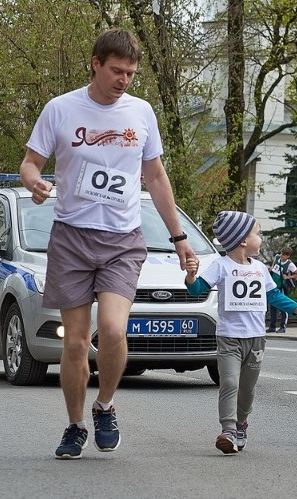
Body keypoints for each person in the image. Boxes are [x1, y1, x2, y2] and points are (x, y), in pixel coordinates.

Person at [19, 28, 196, 460]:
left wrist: (179, 238)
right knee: (76, 342)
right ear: (95, 63)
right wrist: (35, 183)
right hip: (72, 238)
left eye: (131, 74)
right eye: (117, 71)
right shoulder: (61, 109)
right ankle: (76, 424)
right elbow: (30, 162)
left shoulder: (141, 113)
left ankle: (106, 405)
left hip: (122, 239)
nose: (124, 80)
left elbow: (155, 177)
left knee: (114, 330)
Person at [186, 211, 297, 454]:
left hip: (256, 339)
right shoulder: (220, 266)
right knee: (229, 382)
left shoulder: (260, 268)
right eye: (258, 233)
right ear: (243, 240)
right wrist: (191, 277)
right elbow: (197, 290)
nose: (261, 238)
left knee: (247, 389)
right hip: (229, 338)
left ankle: (242, 423)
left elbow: (273, 295)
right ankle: (227, 430)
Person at [267, 247, 297, 333]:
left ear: (288, 256)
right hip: (273, 285)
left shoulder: (290, 264)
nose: (282, 256)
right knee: (273, 306)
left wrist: (288, 277)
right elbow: (274, 265)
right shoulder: (277, 257)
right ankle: (272, 326)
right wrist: (272, 268)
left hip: (282, 286)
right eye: (281, 253)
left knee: (283, 307)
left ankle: (283, 326)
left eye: (284, 255)